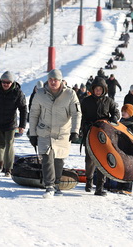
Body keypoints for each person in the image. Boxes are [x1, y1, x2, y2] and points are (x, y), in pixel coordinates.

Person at [28, 69, 81, 198]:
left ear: (61, 80)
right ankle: (49, 186)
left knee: (58, 160)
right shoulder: (40, 94)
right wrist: (33, 133)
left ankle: (57, 183)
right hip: (44, 131)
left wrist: (75, 131)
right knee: (47, 158)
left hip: (62, 133)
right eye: (51, 79)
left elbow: (76, 113)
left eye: (56, 80)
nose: (53, 82)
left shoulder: (70, 94)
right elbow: (34, 114)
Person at [80, 77, 119, 196]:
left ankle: (100, 187)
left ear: (104, 90)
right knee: (90, 159)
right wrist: (84, 127)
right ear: (93, 89)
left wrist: (114, 118)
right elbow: (81, 115)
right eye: (96, 89)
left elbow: (116, 112)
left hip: (104, 135)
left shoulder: (109, 101)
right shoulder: (86, 101)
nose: (98, 91)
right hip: (90, 133)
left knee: (103, 160)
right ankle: (89, 181)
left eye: (100, 89)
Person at [0, 71, 27, 176]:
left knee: (9, 145)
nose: (5, 84)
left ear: (12, 82)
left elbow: (23, 108)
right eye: (4, 82)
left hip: (10, 123)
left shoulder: (17, 92)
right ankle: (0, 161)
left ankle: (8, 168)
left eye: (8, 82)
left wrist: (22, 125)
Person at [113, 104, 133, 195]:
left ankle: (127, 188)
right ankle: (119, 186)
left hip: (130, 150)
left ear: (130, 114)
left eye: (126, 112)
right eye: (122, 111)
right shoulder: (120, 123)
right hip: (120, 148)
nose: (123, 113)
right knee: (121, 167)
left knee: (129, 169)